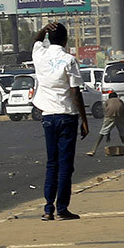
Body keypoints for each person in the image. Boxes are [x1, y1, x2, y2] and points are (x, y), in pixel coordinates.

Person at [32, 22, 89, 221]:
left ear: (49, 38)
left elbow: (36, 41)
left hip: (47, 116)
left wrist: (43, 29)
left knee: (52, 163)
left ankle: (48, 208)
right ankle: (62, 208)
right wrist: (84, 119)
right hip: (66, 115)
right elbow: (75, 91)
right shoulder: (68, 60)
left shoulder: (39, 55)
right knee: (65, 165)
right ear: (65, 41)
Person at [86, 91, 124, 156]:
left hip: (110, 116)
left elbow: (106, 112)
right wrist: (121, 137)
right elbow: (123, 110)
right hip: (120, 116)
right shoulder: (120, 100)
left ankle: (93, 150)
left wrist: (108, 136)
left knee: (102, 133)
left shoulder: (107, 101)